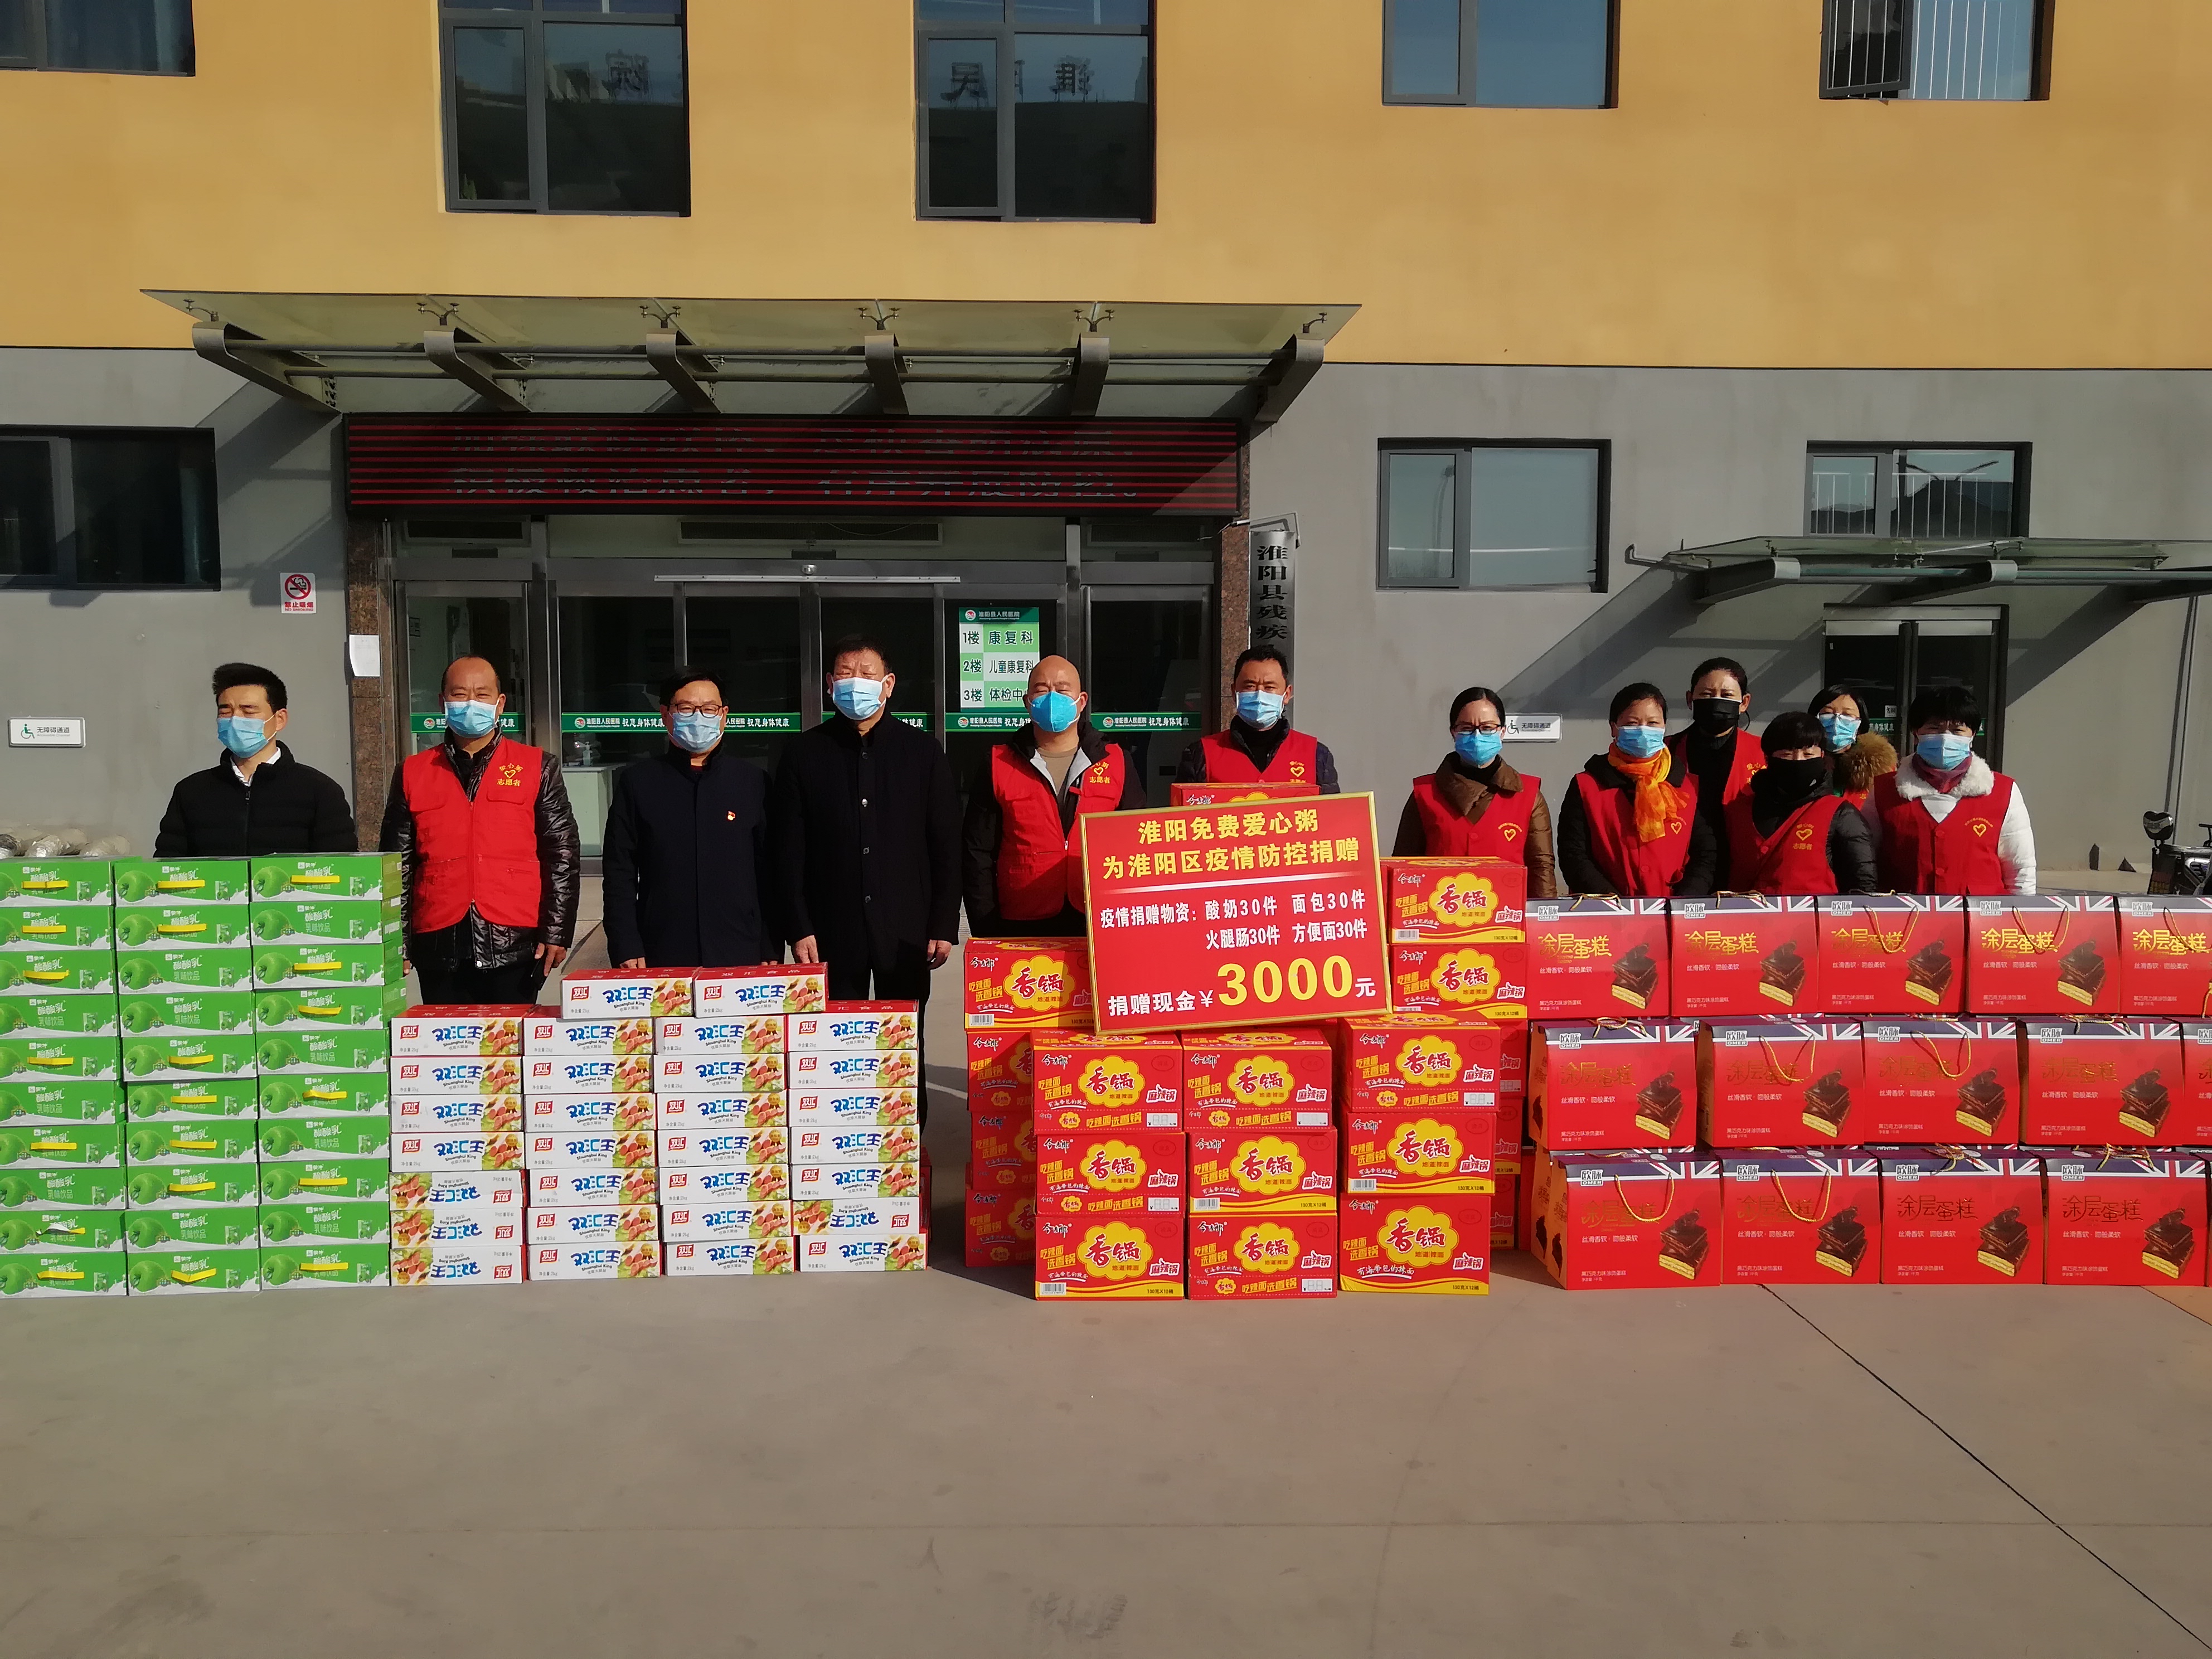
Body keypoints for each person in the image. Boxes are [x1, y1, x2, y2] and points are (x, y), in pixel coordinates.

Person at [770, 634, 961, 1011]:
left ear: (888, 684)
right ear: (830, 684)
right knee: (836, 1035)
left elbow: (945, 845)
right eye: (845, 674)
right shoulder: (802, 754)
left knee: (905, 1035)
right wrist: (798, 926)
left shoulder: (923, 753)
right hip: (830, 930)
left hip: (907, 930)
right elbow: (788, 851)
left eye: (867, 674)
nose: (855, 682)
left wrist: (943, 924)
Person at [379, 656, 580, 1006]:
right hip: (438, 939)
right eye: (459, 694)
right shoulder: (413, 771)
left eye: (482, 694)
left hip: (515, 940)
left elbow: (561, 853)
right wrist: (398, 940)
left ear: (500, 704)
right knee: (446, 1038)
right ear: (443, 702)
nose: (471, 703)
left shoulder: (536, 766)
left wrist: (556, 931)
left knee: (510, 1037)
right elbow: (397, 865)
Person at [601, 666, 772, 970]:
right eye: (686, 708)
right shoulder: (639, 783)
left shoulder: (752, 782)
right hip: (660, 948)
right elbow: (619, 871)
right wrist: (625, 942)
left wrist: (770, 943)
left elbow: (769, 871)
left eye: (709, 709)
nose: (698, 718)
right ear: (666, 714)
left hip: (739, 946)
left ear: (724, 715)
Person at [964, 654, 1147, 937]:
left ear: (1081, 702)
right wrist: (986, 930)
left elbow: (1137, 844)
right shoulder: (998, 762)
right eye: (1042, 690)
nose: (1052, 698)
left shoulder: (1116, 761)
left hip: (1098, 918)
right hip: (1021, 920)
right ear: (1028, 702)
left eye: (1062, 690)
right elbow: (978, 852)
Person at [155, 663, 356, 856]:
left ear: (280, 719)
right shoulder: (191, 791)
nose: (235, 720)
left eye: (248, 711)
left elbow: (340, 866)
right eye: (225, 711)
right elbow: (168, 864)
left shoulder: (320, 791)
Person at [1391, 685, 1558, 897]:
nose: (1477, 736)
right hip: (1440, 912)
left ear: (1503, 731)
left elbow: (1541, 866)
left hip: (1507, 914)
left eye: (1488, 728)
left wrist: (1543, 913)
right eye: (1466, 728)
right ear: (1453, 732)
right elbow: (1404, 867)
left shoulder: (1529, 795)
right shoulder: (1424, 794)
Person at [1555, 683, 1717, 897]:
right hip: (1607, 909)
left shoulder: (1687, 786)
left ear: (1664, 727)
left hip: (1673, 908)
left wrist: (1685, 898)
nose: (1643, 731)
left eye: (1653, 723)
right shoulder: (1586, 786)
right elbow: (1573, 854)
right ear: (1614, 728)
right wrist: (1613, 902)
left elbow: (1705, 851)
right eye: (1632, 723)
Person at [1870, 686, 2035, 895]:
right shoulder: (1883, 790)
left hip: (1980, 914)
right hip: (1907, 913)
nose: (1945, 737)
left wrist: (2022, 911)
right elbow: (1864, 860)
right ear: (1916, 733)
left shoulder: (2004, 791)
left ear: (1972, 735)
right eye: (1934, 728)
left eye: (1957, 730)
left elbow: (2021, 870)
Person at [1724, 711, 1878, 894]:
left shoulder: (1841, 815)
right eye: (1787, 754)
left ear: (1822, 756)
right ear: (1767, 758)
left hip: (1815, 913)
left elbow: (1863, 888)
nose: (1798, 761)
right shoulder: (1737, 810)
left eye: (1808, 754)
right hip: (1742, 912)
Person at [1174, 647, 1340, 792]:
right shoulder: (1200, 755)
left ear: (1287, 694)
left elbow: (1333, 814)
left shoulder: (1316, 755)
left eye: (1269, 687)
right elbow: (1184, 814)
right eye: (1250, 686)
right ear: (1234, 692)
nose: (1259, 695)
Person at [1808, 682, 1898, 811]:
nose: (1837, 721)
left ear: (1860, 724)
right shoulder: (1799, 761)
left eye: (1847, 715)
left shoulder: (1882, 769)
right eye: (1828, 713)